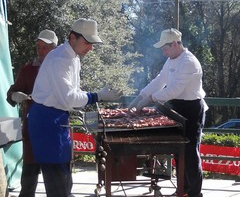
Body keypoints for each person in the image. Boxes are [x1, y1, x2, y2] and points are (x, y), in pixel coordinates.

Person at [27, 18, 122, 197]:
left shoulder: (74, 58)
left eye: (92, 43)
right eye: (87, 42)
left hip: (58, 117)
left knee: (65, 177)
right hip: (46, 121)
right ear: (72, 38)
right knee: (56, 180)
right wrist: (98, 96)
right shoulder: (59, 59)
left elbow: (73, 91)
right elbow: (70, 98)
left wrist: (92, 96)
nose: (90, 48)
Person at [128, 28, 208, 197]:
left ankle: (195, 193)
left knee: (190, 152)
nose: (163, 53)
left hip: (192, 108)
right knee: (179, 150)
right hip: (177, 107)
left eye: (165, 48)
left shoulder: (189, 62)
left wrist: (150, 98)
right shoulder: (171, 60)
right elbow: (160, 80)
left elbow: (175, 89)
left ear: (174, 44)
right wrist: (140, 95)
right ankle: (183, 189)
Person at [6, 29, 59, 197]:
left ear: (55, 49)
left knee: (57, 185)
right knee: (28, 183)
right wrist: (15, 95)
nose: (41, 51)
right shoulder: (28, 69)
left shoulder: (62, 69)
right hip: (32, 132)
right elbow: (12, 93)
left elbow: (73, 94)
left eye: (45, 47)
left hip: (54, 133)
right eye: (38, 47)